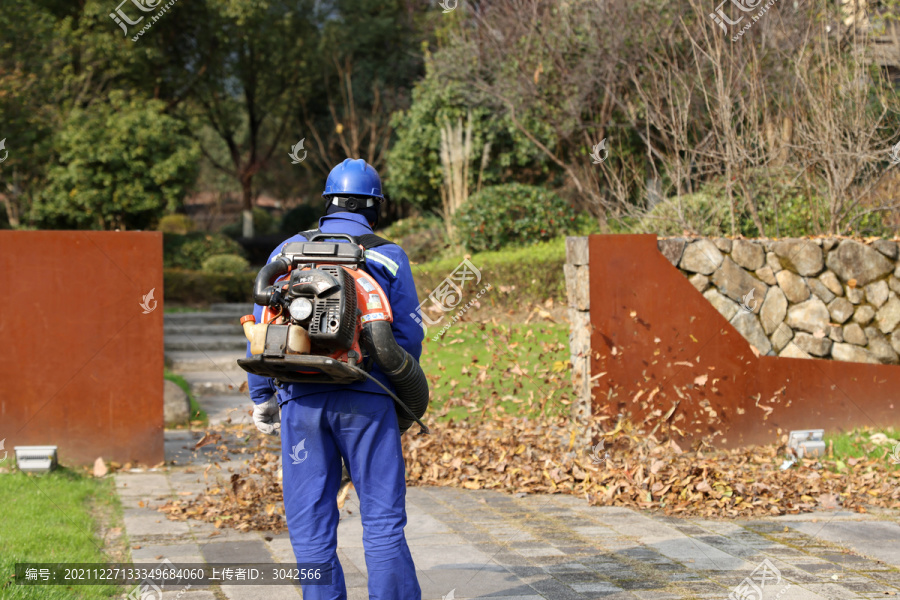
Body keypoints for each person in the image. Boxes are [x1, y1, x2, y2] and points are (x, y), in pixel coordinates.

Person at [245, 158, 424, 600]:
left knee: (310, 526)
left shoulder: (286, 251)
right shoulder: (388, 255)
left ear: (327, 203)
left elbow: (262, 323)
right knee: (382, 522)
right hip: (367, 399)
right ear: (374, 207)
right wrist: (397, 390)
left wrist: (263, 396)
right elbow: (408, 336)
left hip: (300, 402)